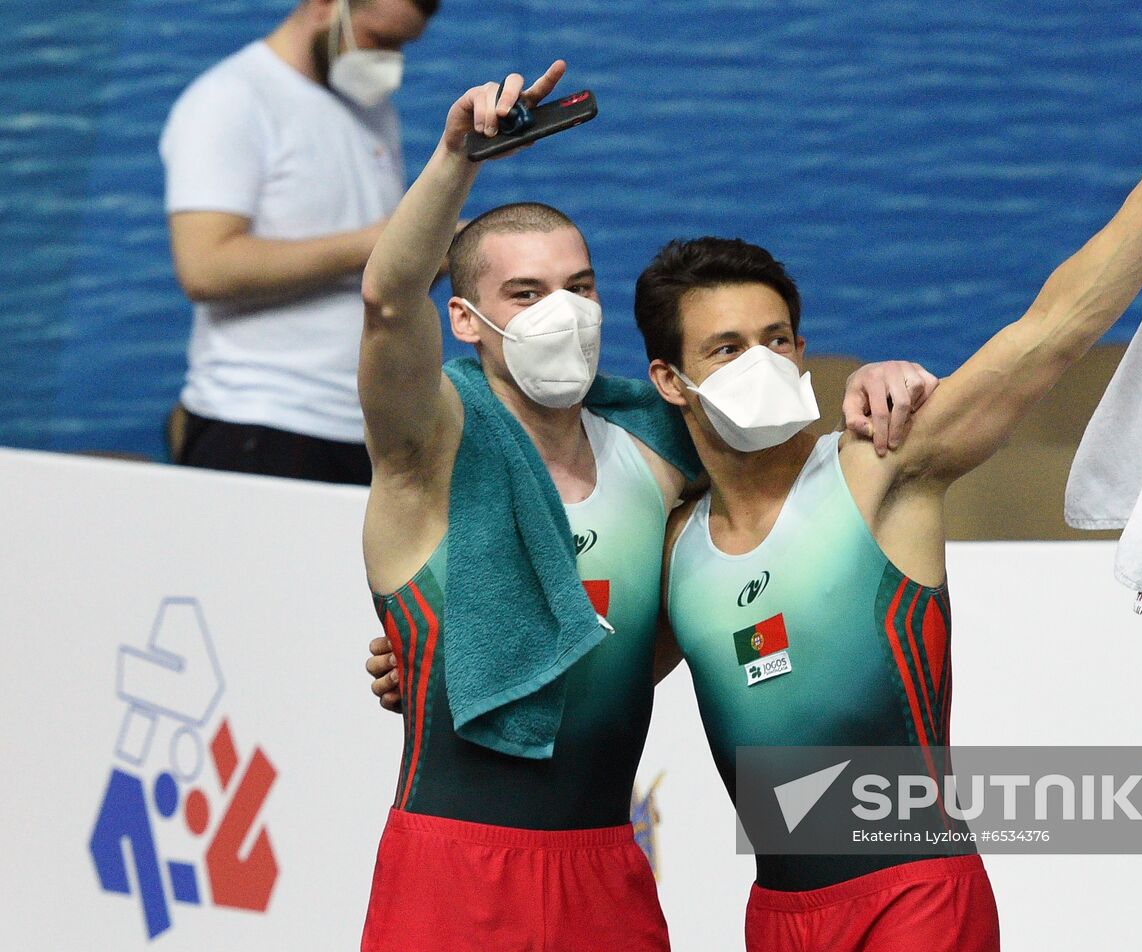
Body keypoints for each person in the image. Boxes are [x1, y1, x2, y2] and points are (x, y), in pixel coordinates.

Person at [355, 61, 935, 951]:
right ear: (466, 319)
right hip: (454, 869)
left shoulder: (658, 459)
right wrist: (454, 162)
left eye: (579, 289)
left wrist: (871, 379)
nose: (564, 313)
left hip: (606, 875)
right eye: (526, 293)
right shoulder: (429, 451)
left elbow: (765, 428)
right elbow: (390, 302)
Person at [637, 100, 1142, 951]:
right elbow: (586, 695)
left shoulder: (883, 465)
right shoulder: (675, 547)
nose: (761, 362)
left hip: (914, 892)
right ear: (670, 380)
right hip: (779, 915)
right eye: (725, 349)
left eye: (778, 338)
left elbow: (1050, 333)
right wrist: (411, 665)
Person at [160, 0, 439, 484]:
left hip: (365, 424)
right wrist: (380, 241)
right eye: (380, 38)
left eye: (404, 46)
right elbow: (204, 268)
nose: (391, 60)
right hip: (262, 423)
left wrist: (431, 249)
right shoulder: (231, 100)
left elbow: (372, 269)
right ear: (327, 2)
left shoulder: (371, 108)